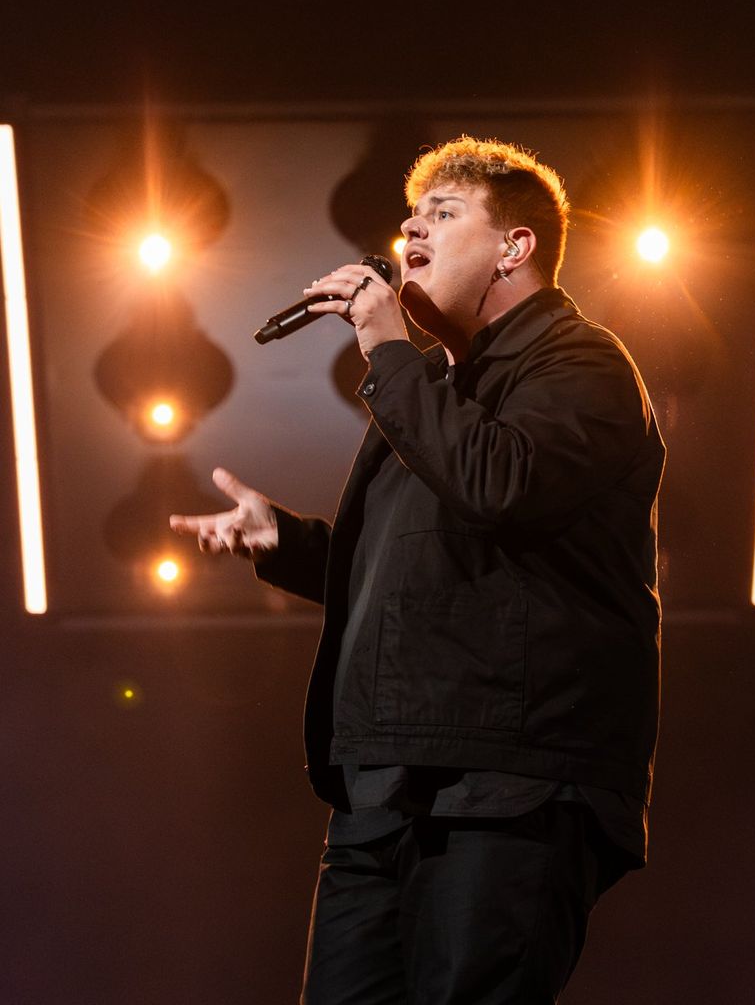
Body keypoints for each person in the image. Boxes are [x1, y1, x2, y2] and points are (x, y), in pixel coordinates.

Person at [170, 136, 665, 1004]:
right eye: (411, 216)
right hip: (386, 785)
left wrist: (389, 351)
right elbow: (413, 579)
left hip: (510, 782)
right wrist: (283, 541)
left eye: (443, 212)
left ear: (516, 247)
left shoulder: (581, 366)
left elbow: (498, 484)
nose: (411, 229)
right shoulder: (434, 390)